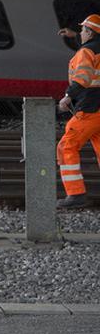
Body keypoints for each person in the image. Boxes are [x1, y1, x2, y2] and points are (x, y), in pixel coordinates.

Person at [58, 15, 100, 208]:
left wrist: (68, 96)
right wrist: (74, 36)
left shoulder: (86, 52)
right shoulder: (95, 48)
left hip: (89, 109)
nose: (82, 33)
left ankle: (75, 195)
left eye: (83, 30)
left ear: (90, 33)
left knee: (66, 147)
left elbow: (83, 77)